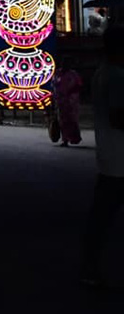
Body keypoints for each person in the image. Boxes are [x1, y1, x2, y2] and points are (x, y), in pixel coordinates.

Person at [80, 26, 124, 286]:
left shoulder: (103, 73)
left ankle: (90, 265)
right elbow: (118, 117)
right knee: (103, 215)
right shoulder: (116, 77)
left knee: (101, 216)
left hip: (110, 157)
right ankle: (90, 266)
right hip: (119, 159)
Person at [53, 56, 82, 146]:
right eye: (64, 63)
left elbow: (79, 86)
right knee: (62, 120)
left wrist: (70, 93)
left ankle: (73, 138)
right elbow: (54, 85)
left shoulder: (73, 74)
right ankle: (65, 139)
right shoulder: (57, 73)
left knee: (72, 120)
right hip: (60, 100)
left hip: (71, 101)